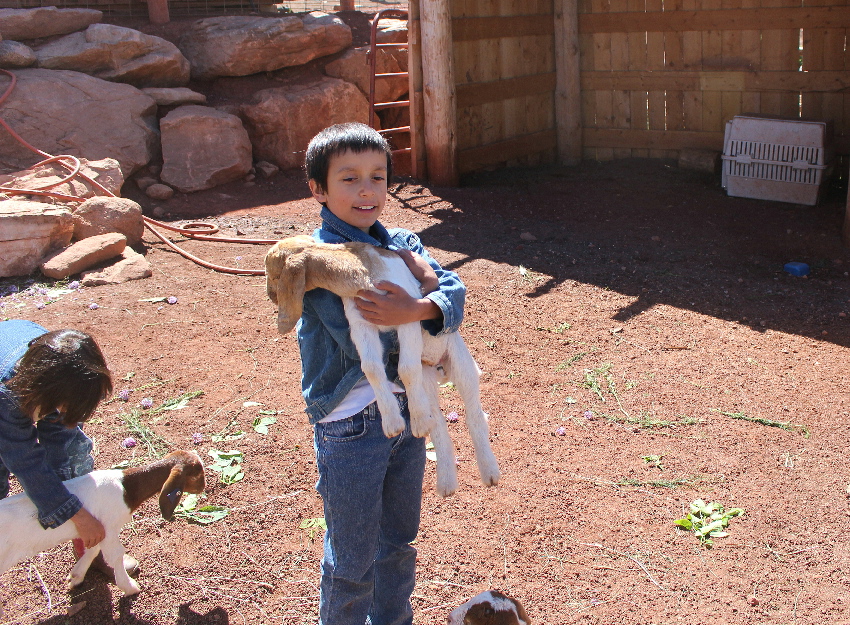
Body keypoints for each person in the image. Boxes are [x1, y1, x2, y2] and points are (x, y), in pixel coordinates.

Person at [299, 122, 466, 625]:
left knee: (398, 541)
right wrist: (423, 321)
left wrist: (417, 309)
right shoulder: (318, 260)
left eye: (378, 177)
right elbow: (354, 337)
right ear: (318, 189)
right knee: (352, 558)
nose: (367, 190)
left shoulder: (402, 241)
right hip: (350, 419)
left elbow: (453, 289)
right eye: (349, 178)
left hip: (411, 413)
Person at [0, 319, 136, 576]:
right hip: (9, 392)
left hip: (39, 387)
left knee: (72, 458)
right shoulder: (7, 396)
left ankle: (90, 548)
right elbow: (26, 463)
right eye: (66, 407)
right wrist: (79, 516)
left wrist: (73, 499)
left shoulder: (67, 366)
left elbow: (61, 440)